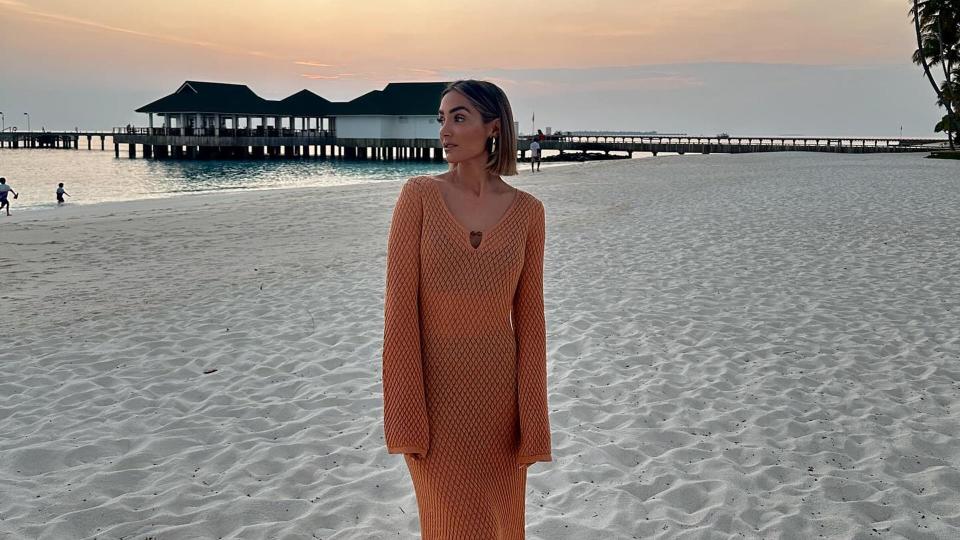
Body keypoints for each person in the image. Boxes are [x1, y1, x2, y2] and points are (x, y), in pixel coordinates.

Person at [382, 79, 552, 538]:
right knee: (449, 522)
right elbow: (399, 315)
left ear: (492, 128)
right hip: (434, 402)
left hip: (501, 401)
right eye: (442, 119)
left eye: (459, 118)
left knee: (499, 524)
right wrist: (404, 414)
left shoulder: (528, 212)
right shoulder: (417, 197)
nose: (445, 130)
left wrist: (533, 420)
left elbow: (531, 322)